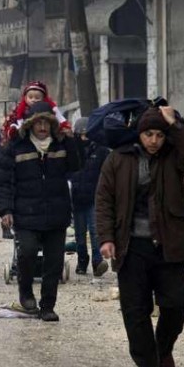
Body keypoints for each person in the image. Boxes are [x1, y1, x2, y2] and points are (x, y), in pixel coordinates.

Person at [96, 105, 184, 367]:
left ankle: (163, 348)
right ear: (139, 134)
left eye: (159, 134)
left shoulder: (173, 157)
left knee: (176, 303)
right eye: (148, 134)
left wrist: (175, 123)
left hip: (168, 244)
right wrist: (106, 238)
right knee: (135, 309)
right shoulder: (118, 159)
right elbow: (104, 199)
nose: (154, 140)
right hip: (131, 246)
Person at [0, 102, 82, 321]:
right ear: (30, 125)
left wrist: (71, 140)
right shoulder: (17, 147)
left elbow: (76, 165)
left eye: (46, 122)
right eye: (38, 122)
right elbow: (3, 180)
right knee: (27, 252)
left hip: (56, 213)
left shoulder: (60, 146)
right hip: (25, 213)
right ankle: (25, 293)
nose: (42, 127)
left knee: (54, 262)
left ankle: (47, 306)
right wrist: (5, 209)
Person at [69, 117, 109, 276]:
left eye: (88, 134)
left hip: (94, 197)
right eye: (82, 135)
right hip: (77, 198)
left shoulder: (101, 151)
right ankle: (82, 261)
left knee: (94, 231)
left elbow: (105, 174)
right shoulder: (73, 152)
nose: (85, 138)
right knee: (79, 234)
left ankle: (97, 262)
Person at [1, 80, 70, 143]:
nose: (33, 100)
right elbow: (11, 122)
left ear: (43, 98)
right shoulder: (19, 111)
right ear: (25, 98)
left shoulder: (49, 109)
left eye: (37, 98)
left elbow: (59, 119)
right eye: (30, 97)